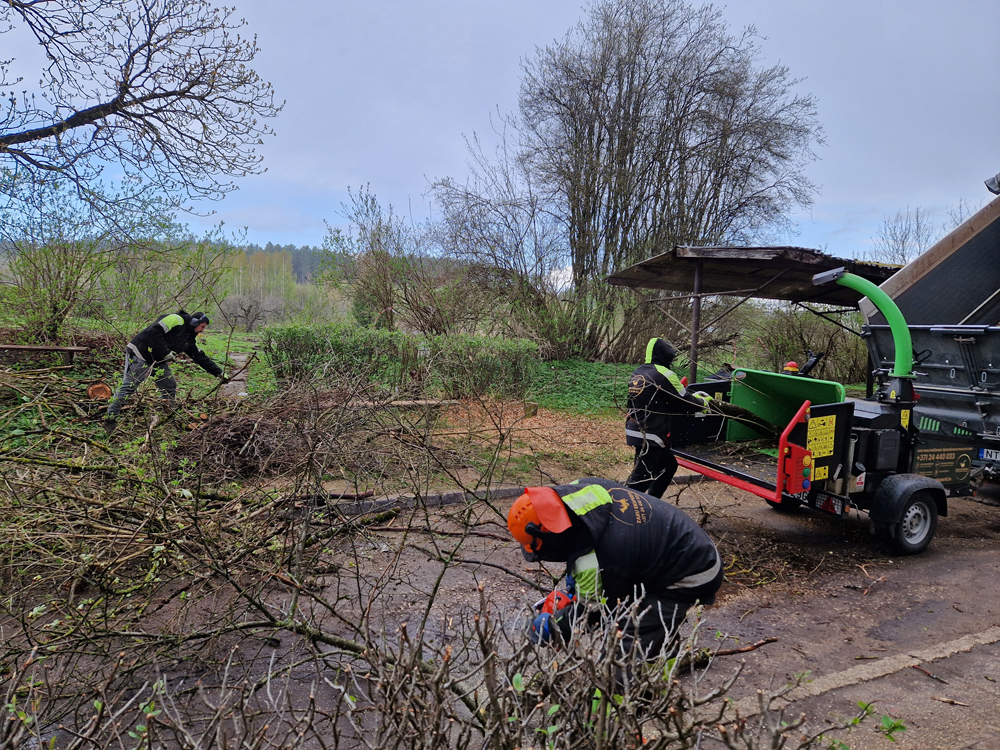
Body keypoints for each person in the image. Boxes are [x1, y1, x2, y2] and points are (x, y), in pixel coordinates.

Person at [507, 478, 722, 659]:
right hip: (679, 541)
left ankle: (626, 701)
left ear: (549, 536)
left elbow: (594, 614)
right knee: (651, 628)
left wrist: (555, 626)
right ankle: (661, 662)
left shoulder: (600, 560)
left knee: (624, 647)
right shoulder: (579, 489)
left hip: (694, 570)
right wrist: (577, 586)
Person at [103, 310, 228, 433]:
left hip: (158, 359)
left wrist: (218, 372)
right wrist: (165, 352)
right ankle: (110, 420)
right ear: (195, 322)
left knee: (169, 386)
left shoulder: (188, 338)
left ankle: (168, 416)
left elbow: (199, 356)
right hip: (140, 353)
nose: (202, 330)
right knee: (128, 387)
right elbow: (153, 331)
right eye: (202, 327)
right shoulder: (176, 319)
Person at [625, 338, 710, 498]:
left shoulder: (639, 372)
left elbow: (662, 401)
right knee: (640, 480)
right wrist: (703, 403)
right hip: (650, 433)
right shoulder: (664, 374)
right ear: (664, 355)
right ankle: (627, 514)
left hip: (637, 429)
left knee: (668, 465)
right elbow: (687, 402)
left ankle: (651, 504)